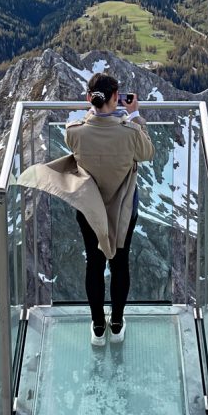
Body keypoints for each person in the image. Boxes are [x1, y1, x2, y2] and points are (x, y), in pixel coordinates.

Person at [65, 72, 154, 346]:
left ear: (89, 99)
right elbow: (147, 153)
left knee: (94, 264)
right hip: (124, 209)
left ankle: (98, 327)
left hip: (89, 209)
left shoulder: (75, 133)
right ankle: (116, 324)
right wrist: (135, 115)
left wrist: (92, 112)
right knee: (120, 264)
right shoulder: (129, 132)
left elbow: (78, 139)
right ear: (117, 98)